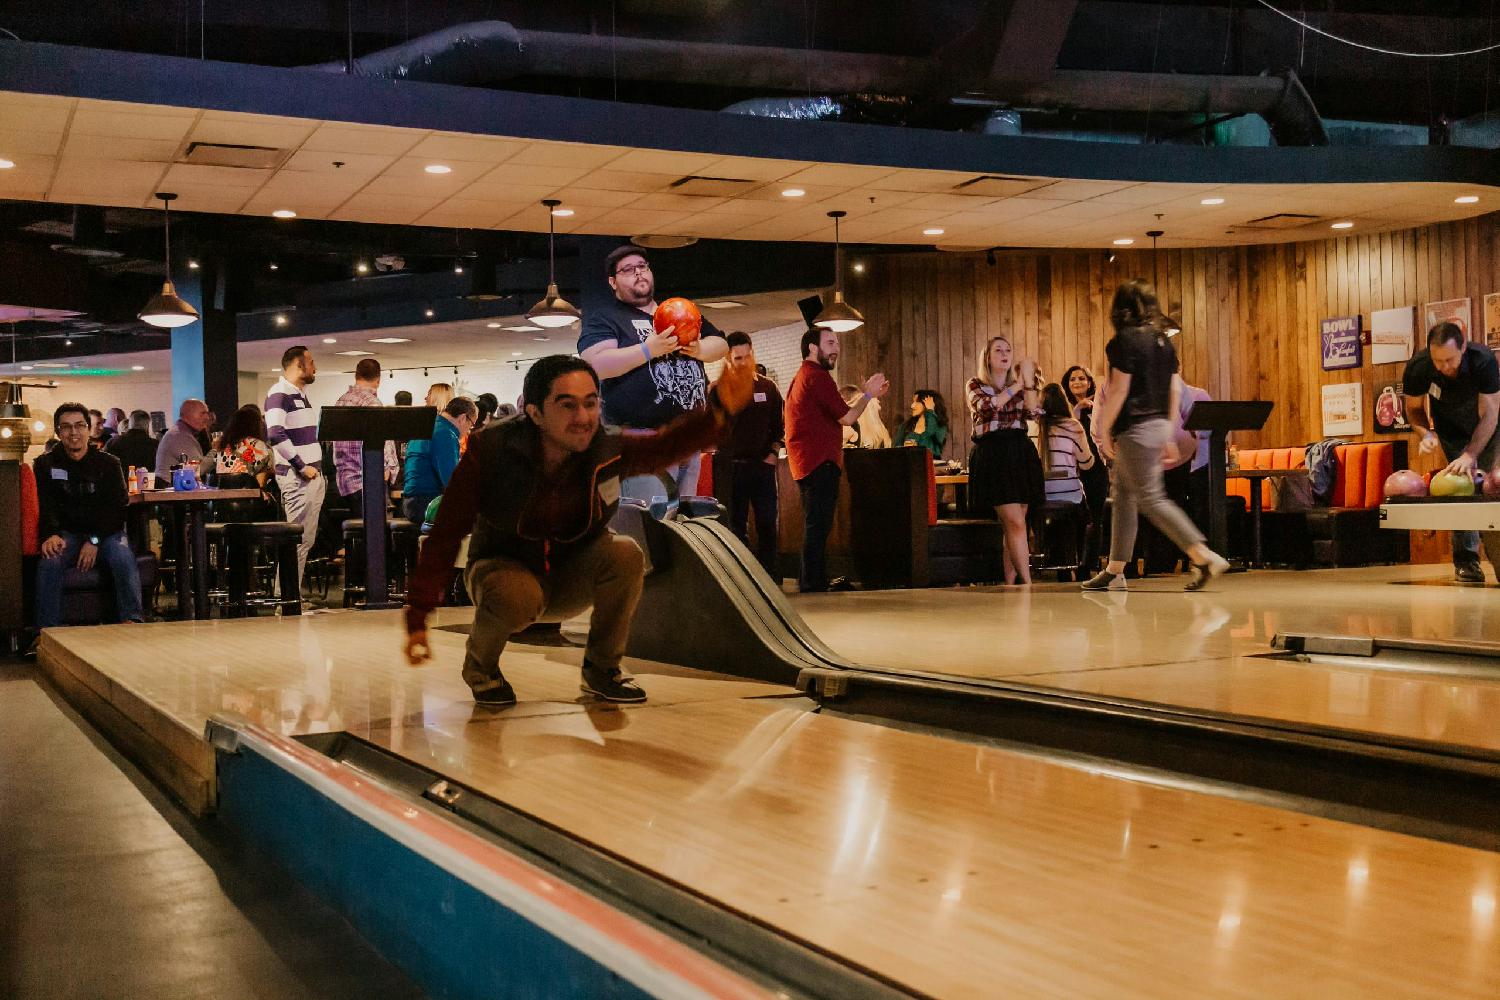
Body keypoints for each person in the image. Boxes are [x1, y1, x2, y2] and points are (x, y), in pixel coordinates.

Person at [403, 353, 754, 705]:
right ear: (535, 413)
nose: (583, 418)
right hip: (504, 571)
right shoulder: (492, 450)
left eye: (591, 404)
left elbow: (664, 447)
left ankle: (603, 670)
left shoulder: (606, 447)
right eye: (567, 405)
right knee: (517, 595)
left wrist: (720, 411)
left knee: (625, 553)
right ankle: (481, 668)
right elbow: (445, 533)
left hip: (570, 573)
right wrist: (418, 614)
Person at [1082, 279, 1229, 592]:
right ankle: (1115, 569)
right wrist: (1167, 431)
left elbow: (1119, 389)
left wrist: (1105, 428)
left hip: (1135, 427)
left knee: (1150, 497)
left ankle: (1202, 555)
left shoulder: (1123, 342)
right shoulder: (1163, 342)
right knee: (1124, 495)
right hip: (1158, 422)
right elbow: (1174, 387)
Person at [577, 246, 730, 502]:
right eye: (628, 270)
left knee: (684, 526)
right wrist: (649, 350)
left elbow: (722, 345)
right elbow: (597, 363)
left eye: (643, 266)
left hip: (688, 439)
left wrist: (700, 348)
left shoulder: (679, 311)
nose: (638, 273)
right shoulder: (606, 317)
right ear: (613, 282)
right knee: (651, 521)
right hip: (643, 442)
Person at [785, 326, 888, 593]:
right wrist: (868, 394)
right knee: (818, 526)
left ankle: (810, 580)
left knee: (815, 524)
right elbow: (848, 418)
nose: (836, 349)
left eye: (837, 343)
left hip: (805, 461)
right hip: (820, 461)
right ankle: (813, 583)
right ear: (812, 348)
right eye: (830, 343)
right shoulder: (817, 377)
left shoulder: (801, 376)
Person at [1403, 321, 1500, 583]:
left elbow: (1490, 414)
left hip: (1487, 428)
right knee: (1460, 488)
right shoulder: (1419, 367)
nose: (1444, 367)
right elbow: (1412, 409)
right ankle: (1467, 564)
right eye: (1438, 361)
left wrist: (1471, 454)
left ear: (1464, 348)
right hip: (1450, 430)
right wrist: (1426, 433)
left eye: (1450, 360)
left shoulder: (1483, 362)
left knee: (1493, 486)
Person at [33, 402, 143, 628]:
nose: (74, 432)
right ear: (58, 432)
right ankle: (45, 633)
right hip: (66, 534)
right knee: (50, 562)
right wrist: (50, 534)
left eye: (79, 425)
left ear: (88, 429)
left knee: (122, 556)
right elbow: (45, 505)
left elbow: (116, 509)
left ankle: (133, 621)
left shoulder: (109, 463)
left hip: (106, 533)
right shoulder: (45, 464)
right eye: (66, 427)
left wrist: (93, 540)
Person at [967, 336, 1044, 585]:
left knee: (1014, 524)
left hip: (1019, 450)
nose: (1004, 354)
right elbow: (988, 407)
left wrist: (1028, 383)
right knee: (1015, 521)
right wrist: (1018, 386)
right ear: (987, 357)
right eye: (998, 350)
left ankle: (1010, 584)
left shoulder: (1018, 385)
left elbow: (1033, 413)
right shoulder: (976, 384)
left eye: (1008, 350)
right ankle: (1028, 582)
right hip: (993, 452)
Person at [717, 331, 784, 576]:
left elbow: (779, 427)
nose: (743, 362)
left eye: (747, 356)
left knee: (767, 522)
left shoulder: (768, 388)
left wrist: (773, 454)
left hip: (762, 465)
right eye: (738, 358)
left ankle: (770, 575)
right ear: (728, 359)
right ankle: (743, 576)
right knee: (736, 525)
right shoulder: (719, 391)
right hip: (732, 467)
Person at [265, 345, 324, 586]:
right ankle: (286, 598)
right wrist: (301, 466)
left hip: (310, 476)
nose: (314, 368)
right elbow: (275, 434)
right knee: (297, 539)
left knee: (304, 540)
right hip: (298, 476)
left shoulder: (298, 393)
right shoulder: (280, 392)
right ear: (298, 365)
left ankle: (291, 597)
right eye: (311, 363)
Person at [332, 358, 400, 516]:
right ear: (378, 380)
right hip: (369, 480)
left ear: (356, 376)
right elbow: (382, 441)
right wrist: (387, 469)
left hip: (346, 481)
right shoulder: (372, 403)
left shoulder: (341, 401)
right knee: (375, 535)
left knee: (359, 532)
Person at [403, 397, 477, 522]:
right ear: (463, 418)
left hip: (412, 502)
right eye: (471, 425)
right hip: (426, 503)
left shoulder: (428, 426)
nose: (468, 432)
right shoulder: (445, 434)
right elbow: (452, 481)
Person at [1039, 383, 1095, 505]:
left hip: (1040, 496)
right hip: (1070, 496)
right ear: (1064, 402)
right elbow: (1087, 464)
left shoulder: (1034, 427)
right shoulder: (1073, 426)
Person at [154, 398, 212, 485]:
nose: (207, 417)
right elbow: (199, 469)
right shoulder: (179, 435)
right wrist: (216, 450)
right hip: (170, 491)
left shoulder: (181, 432)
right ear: (188, 414)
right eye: (203, 413)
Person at [898, 390, 949, 460]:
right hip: (908, 467)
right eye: (913, 402)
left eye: (917, 402)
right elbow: (895, 449)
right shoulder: (906, 426)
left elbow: (930, 433)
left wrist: (930, 411)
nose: (912, 406)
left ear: (928, 404)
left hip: (931, 468)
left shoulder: (940, 425)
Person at [105, 409, 157, 476]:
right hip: (148, 484)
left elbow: (103, 465)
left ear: (130, 423)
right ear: (147, 425)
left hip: (118, 484)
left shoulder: (113, 443)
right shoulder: (155, 445)